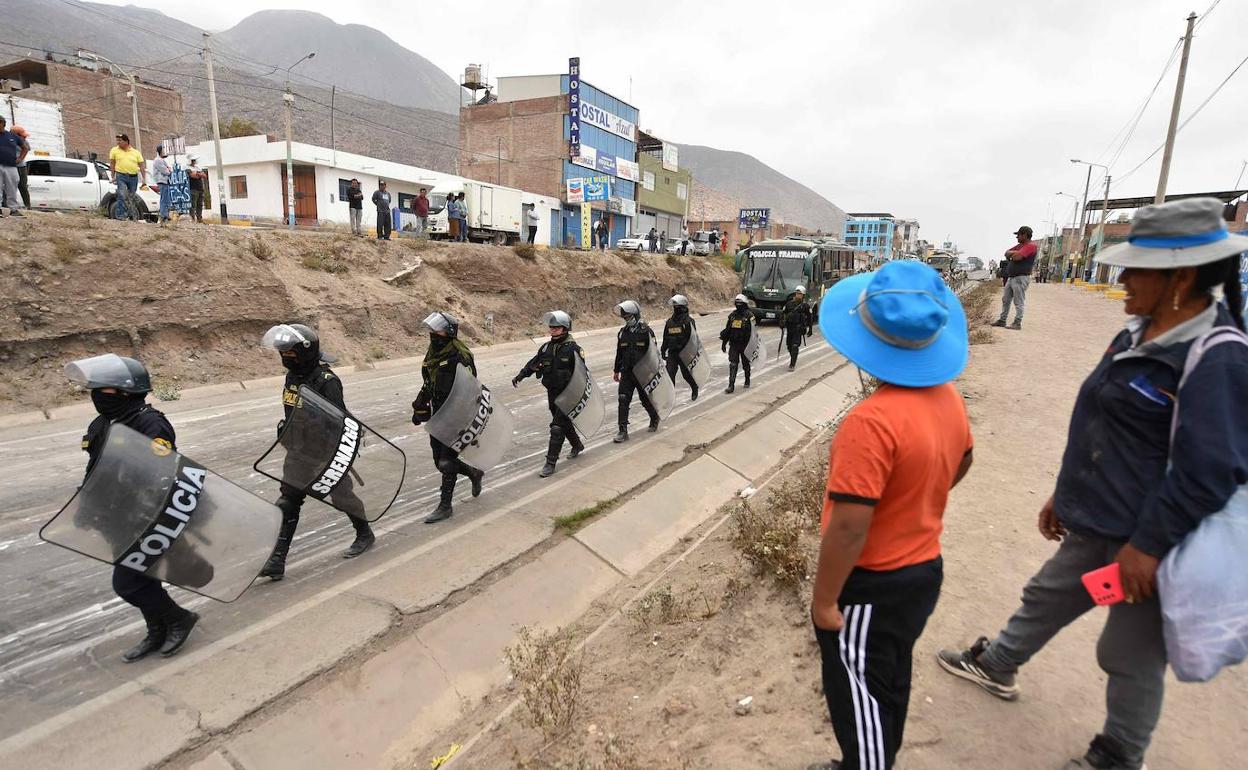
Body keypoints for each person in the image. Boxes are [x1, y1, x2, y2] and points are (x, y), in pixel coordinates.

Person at [936, 198, 1248, 770]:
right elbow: (1100, 419)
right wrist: (1066, 491)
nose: (1122, 278)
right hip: (1099, 520)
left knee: (1127, 653)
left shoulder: (1218, 357)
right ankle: (999, 663)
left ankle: (1120, 753)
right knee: (1049, 594)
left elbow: (1211, 472)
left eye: (1135, 269)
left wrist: (1148, 547)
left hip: (1148, 543)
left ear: (1180, 276)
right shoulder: (1140, 332)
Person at [807, 260, 973, 770]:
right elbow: (964, 459)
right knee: (888, 678)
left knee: (857, 694)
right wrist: (916, 498)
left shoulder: (871, 422)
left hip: (872, 584)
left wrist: (824, 600)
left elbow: (851, 525)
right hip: (923, 570)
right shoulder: (947, 396)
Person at [69, 354, 201, 660]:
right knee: (143, 577)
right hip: (115, 518)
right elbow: (95, 470)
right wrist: (85, 506)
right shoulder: (103, 423)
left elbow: (164, 475)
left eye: (105, 390)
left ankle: (179, 618)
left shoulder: (150, 424)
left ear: (126, 391)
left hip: (145, 518)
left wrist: (150, 514)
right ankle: (157, 631)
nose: (97, 395)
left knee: (127, 583)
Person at [258, 324, 376, 581]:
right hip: (298, 451)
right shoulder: (293, 377)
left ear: (306, 352)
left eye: (291, 353)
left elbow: (340, 421)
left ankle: (365, 533)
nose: (286, 357)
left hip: (325, 454)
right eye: (283, 353)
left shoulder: (327, 381)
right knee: (288, 502)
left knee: (342, 497)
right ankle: (277, 559)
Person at [412, 311, 485, 523]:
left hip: (456, 415)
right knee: (439, 461)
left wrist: (463, 418)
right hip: (438, 413)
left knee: (446, 462)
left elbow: (470, 387)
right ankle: (473, 473)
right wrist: (420, 406)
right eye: (432, 329)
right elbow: (429, 383)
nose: (432, 333)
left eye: (438, 330)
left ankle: (445, 506)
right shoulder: (434, 353)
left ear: (449, 332)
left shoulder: (459, 355)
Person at [512, 310, 587, 478]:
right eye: (551, 327)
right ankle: (577, 445)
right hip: (552, 392)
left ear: (565, 328)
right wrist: (521, 376)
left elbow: (582, 374)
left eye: (556, 327)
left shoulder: (574, 349)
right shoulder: (546, 347)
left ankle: (550, 463)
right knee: (563, 424)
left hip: (569, 394)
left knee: (557, 427)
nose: (552, 330)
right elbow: (534, 363)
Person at [612, 299, 661, 443]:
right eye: (625, 318)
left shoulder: (646, 331)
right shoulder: (622, 333)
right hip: (627, 372)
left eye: (629, 317)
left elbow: (653, 353)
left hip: (643, 373)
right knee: (623, 399)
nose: (627, 320)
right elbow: (619, 353)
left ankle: (654, 417)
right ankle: (622, 431)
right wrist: (616, 370)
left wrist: (653, 372)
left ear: (636, 315)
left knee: (645, 400)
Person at [993, 225, 1037, 329]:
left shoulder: (1031, 246)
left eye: (1018, 235)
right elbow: (1006, 253)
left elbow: (1017, 257)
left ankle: (1017, 322)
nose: (1017, 237)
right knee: (1006, 299)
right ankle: (1002, 320)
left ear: (1025, 235)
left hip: (1021, 278)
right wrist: (1015, 253)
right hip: (1011, 277)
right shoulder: (1020, 246)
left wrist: (1014, 254)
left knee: (1018, 301)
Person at [661, 294, 700, 401]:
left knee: (686, 375)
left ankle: (694, 388)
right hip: (673, 353)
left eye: (677, 307)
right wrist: (663, 350)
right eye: (674, 307)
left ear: (683, 307)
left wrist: (693, 353)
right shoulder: (670, 322)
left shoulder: (689, 321)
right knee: (670, 375)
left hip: (685, 353)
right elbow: (666, 337)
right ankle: (670, 398)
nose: (675, 309)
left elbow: (693, 339)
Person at [720, 294, 757, 393]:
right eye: (737, 303)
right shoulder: (732, 316)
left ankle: (747, 380)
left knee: (746, 364)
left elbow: (754, 332)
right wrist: (723, 343)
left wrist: (753, 346)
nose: (738, 305)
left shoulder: (750, 316)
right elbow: (728, 330)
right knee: (733, 364)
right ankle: (731, 385)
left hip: (745, 345)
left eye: (740, 303)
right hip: (734, 344)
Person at [108, 133, 146, 221]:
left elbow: (141, 166)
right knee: (122, 194)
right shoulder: (114, 150)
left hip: (133, 177)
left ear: (126, 141)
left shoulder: (136, 152)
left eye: (120, 140)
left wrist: (144, 179)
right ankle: (121, 215)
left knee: (131, 196)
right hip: (121, 176)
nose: (118, 142)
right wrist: (113, 176)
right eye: (117, 140)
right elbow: (112, 163)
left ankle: (131, 215)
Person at [781, 285, 815, 371]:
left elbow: (810, 317)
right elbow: (783, 313)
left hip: (799, 328)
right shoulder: (789, 304)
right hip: (790, 328)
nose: (798, 295)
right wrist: (781, 323)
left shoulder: (805, 306)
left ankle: (792, 364)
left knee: (795, 346)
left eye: (800, 294)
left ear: (803, 295)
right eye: (797, 293)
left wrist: (810, 329)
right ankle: (793, 356)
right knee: (789, 345)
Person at [0, 117, 29, 217]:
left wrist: (20, 159)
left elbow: (25, 148)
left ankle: (14, 210)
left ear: (2, 124)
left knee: (12, 188)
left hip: (11, 166)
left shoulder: (12, 136)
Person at [151, 144, 174, 225]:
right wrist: (169, 170)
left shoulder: (162, 160)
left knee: (166, 199)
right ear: (160, 151)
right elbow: (166, 171)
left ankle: (165, 215)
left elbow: (169, 169)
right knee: (164, 199)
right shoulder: (158, 160)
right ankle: (164, 215)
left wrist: (169, 169)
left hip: (165, 181)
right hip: (162, 181)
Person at [11, 125, 31, 210]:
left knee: (23, 186)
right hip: (10, 167)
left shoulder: (24, 142)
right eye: (23, 136)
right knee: (10, 187)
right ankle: (10, 206)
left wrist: (20, 158)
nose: (25, 137)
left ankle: (28, 206)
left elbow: (27, 149)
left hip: (22, 167)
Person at [186, 155, 206, 223]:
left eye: (194, 160)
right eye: (192, 160)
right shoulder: (186, 167)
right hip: (193, 189)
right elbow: (193, 175)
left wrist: (197, 173)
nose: (194, 161)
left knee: (200, 205)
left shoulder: (197, 167)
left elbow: (204, 175)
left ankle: (199, 219)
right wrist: (198, 174)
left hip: (200, 188)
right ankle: (192, 219)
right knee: (193, 205)